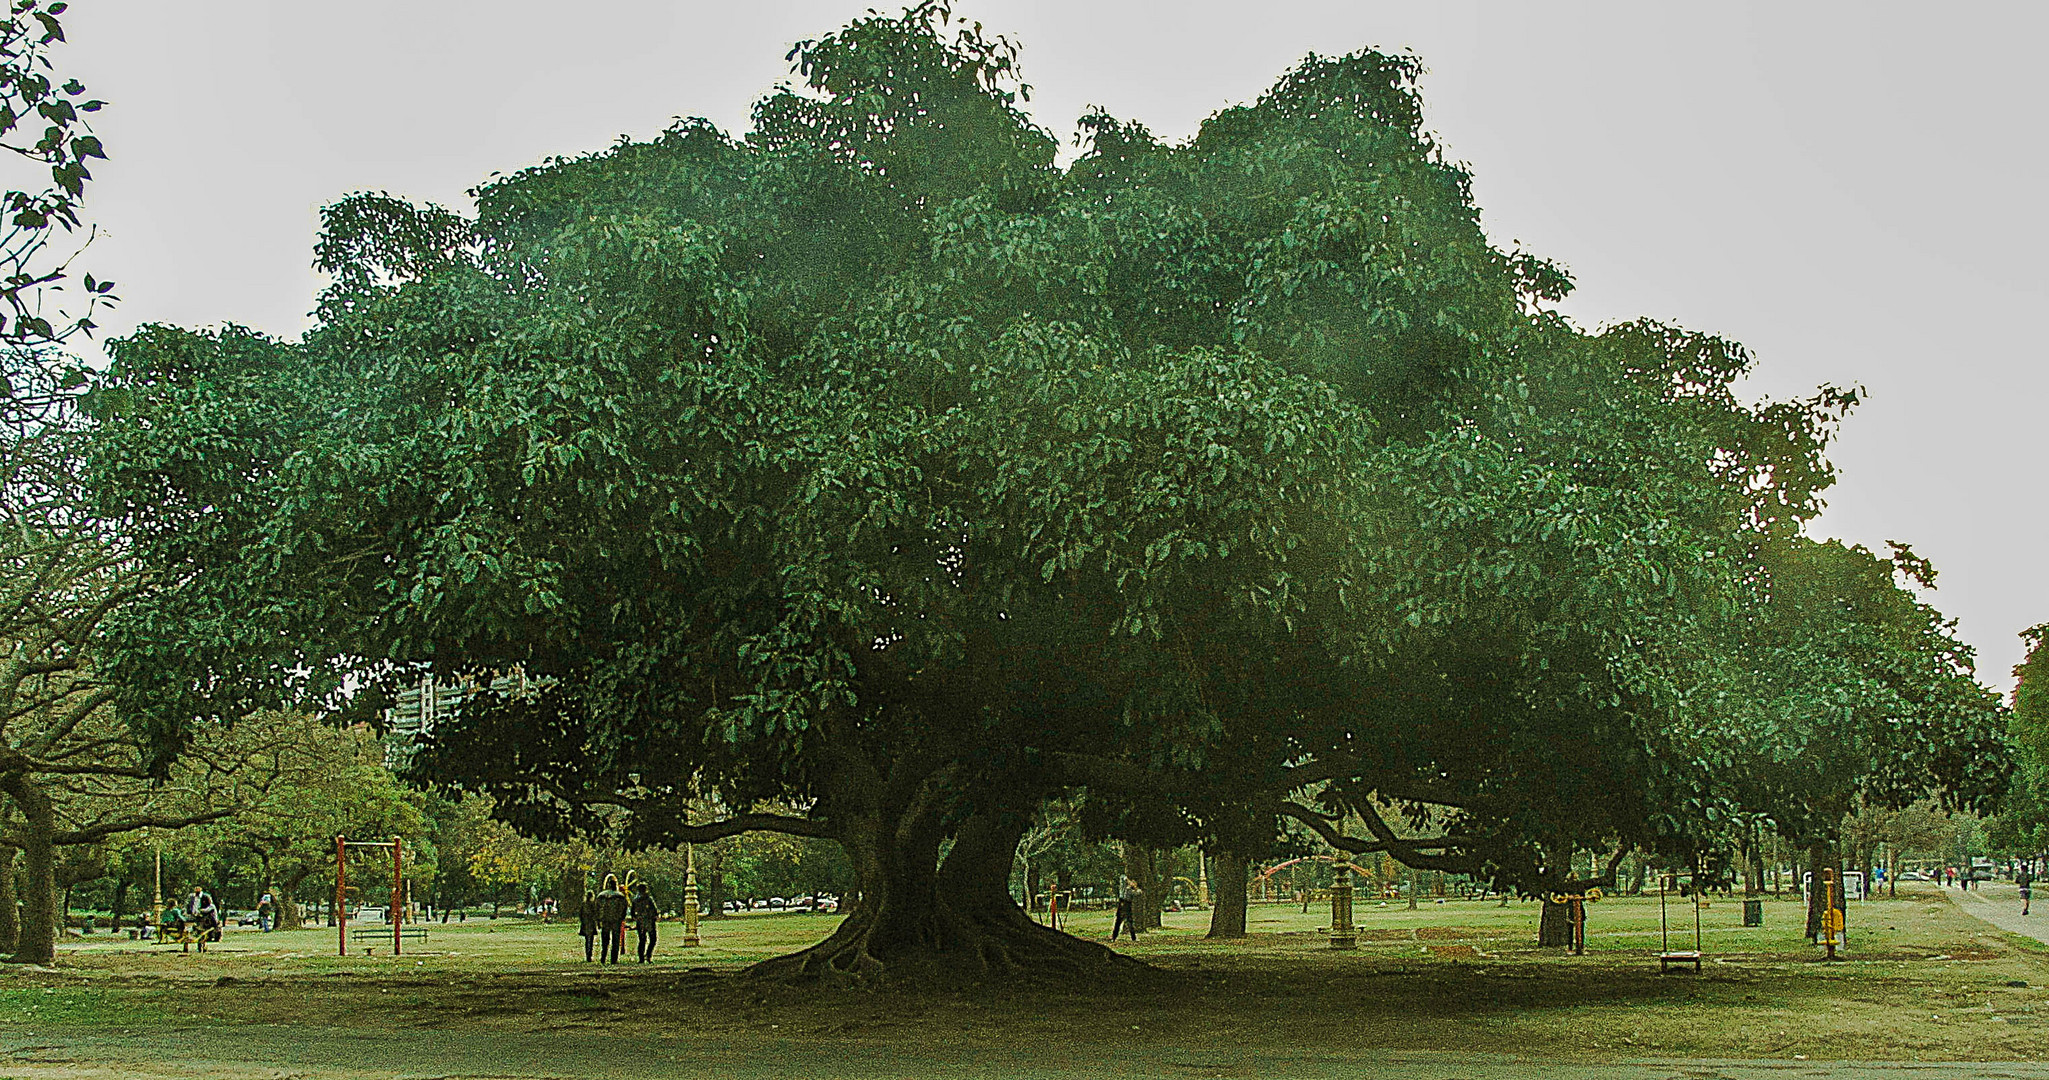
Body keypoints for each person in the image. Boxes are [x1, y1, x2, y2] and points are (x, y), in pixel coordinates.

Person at [596, 875, 629, 964]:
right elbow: (624, 909)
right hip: (616, 920)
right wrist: (621, 918)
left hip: (605, 920)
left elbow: (597, 908)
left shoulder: (601, 896)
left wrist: (599, 919)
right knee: (615, 940)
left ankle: (603, 957)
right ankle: (613, 959)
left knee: (605, 940)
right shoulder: (620, 896)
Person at [184, 885, 220, 953]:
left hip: (206, 919)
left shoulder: (207, 899)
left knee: (201, 931)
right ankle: (200, 945)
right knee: (199, 932)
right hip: (196, 917)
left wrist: (200, 911)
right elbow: (188, 905)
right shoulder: (192, 897)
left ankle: (201, 945)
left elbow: (208, 909)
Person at [630, 881, 659, 963]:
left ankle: (641, 958)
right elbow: (654, 910)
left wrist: (636, 918)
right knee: (653, 939)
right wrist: (655, 916)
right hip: (649, 921)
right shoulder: (649, 899)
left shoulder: (635, 900)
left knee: (642, 940)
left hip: (640, 921)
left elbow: (632, 912)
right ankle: (648, 955)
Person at [1111, 877, 1140, 942]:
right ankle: (1114, 937)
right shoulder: (1124, 888)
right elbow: (1123, 878)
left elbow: (1138, 893)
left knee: (1129, 922)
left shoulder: (1131, 890)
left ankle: (1133, 938)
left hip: (1127, 906)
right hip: (1122, 905)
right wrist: (1129, 882)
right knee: (1118, 922)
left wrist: (1135, 888)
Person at [577, 889, 599, 962]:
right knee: (590, 940)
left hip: (585, 924)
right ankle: (589, 955)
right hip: (591, 924)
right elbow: (596, 914)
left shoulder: (583, 904)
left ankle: (588, 955)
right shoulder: (593, 904)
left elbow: (580, 914)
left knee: (587, 941)